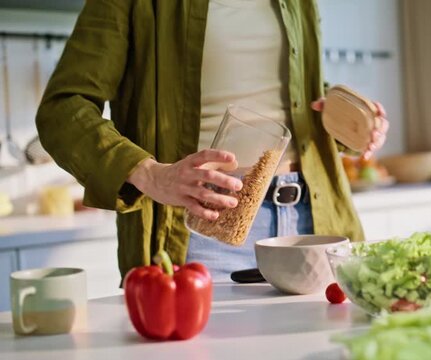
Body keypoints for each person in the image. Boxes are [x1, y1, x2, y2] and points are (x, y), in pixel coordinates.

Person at [36, 0, 389, 281]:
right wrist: (148, 173)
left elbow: (292, 97)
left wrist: (345, 120)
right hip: (203, 227)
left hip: (313, 219)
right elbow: (63, 109)